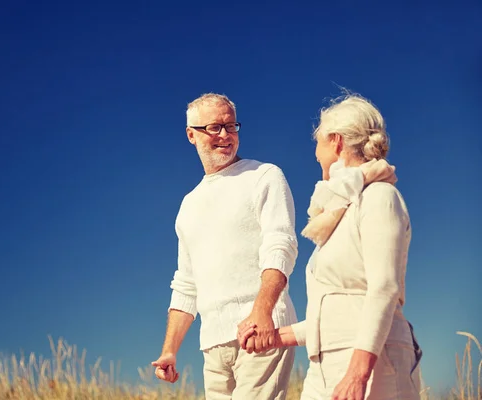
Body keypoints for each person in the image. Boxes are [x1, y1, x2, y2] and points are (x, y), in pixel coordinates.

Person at [238, 91, 423, 400]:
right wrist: (274, 337)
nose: (315, 153)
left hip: (375, 364)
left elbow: (384, 289)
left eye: (318, 142)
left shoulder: (379, 197)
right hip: (323, 367)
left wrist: (357, 373)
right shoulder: (337, 216)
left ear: (335, 141)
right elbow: (332, 318)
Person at [151, 93, 299, 400]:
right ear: (191, 134)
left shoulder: (264, 176)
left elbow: (280, 246)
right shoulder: (189, 205)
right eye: (215, 127)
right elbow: (186, 284)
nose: (225, 135)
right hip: (213, 346)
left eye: (231, 126)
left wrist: (262, 313)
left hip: (261, 332)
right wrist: (169, 351)